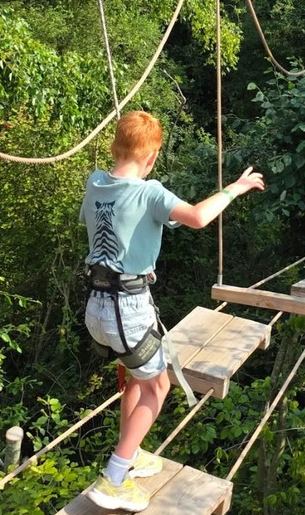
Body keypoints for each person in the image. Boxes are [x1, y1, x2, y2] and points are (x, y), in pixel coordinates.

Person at [79, 110, 265, 512]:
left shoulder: (95, 183)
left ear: (114, 147)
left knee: (137, 379)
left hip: (96, 306)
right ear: (152, 157)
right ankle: (114, 478)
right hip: (127, 310)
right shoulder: (150, 192)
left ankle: (131, 453)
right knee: (158, 388)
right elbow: (197, 217)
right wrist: (236, 188)